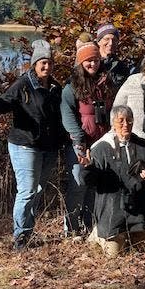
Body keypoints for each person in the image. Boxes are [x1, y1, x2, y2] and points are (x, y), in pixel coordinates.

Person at [0, 40, 66, 250]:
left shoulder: (56, 87)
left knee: (37, 190)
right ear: (34, 64)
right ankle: (20, 238)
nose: (46, 67)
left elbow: (60, 118)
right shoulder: (23, 85)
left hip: (48, 148)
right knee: (27, 190)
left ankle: (27, 232)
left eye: (49, 63)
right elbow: (4, 106)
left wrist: (64, 141)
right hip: (24, 145)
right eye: (42, 63)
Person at [79, 106, 145, 257]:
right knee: (114, 256)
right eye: (120, 121)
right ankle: (98, 235)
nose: (125, 124)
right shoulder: (101, 148)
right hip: (112, 213)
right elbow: (87, 182)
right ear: (112, 123)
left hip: (139, 213)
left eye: (129, 120)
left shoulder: (142, 146)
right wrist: (87, 168)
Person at [60, 41, 114, 236]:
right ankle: (71, 228)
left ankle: (90, 224)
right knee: (78, 185)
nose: (93, 64)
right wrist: (79, 140)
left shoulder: (106, 83)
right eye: (88, 61)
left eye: (96, 60)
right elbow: (68, 116)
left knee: (94, 186)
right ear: (81, 62)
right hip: (80, 145)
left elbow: (111, 111)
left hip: (101, 143)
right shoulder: (71, 88)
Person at [95, 24, 135, 88]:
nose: (111, 43)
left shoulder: (121, 67)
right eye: (107, 39)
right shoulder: (90, 63)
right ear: (99, 42)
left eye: (114, 40)